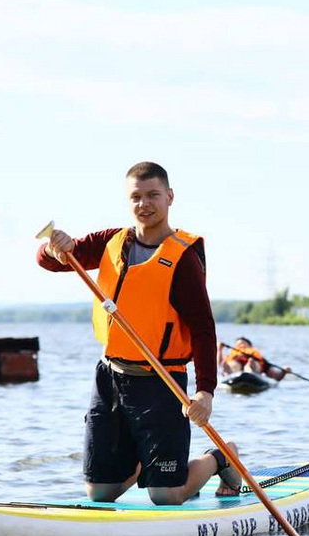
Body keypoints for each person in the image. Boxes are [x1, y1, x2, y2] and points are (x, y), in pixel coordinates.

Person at [38, 161, 242, 503]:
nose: (144, 204)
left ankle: (220, 458)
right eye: (136, 196)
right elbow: (51, 260)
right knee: (100, 493)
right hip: (111, 379)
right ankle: (142, 463)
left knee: (166, 495)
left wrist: (205, 392)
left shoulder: (183, 259)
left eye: (153, 195)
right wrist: (54, 246)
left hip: (161, 383)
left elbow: (204, 329)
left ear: (170, 197)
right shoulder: (111, 242)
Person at [217, 337, 291, 381]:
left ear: (249, 346)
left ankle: (250, 372)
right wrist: (220, 350)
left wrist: (283, 372)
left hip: (253, 367)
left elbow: (274, 376)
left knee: (251, 362)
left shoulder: (258, 358)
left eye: (243, 343)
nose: (241, 345)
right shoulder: (232, 357)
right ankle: (233, 373)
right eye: (238, 344)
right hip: (234, 370)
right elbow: (220, 364)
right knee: (233, 364)